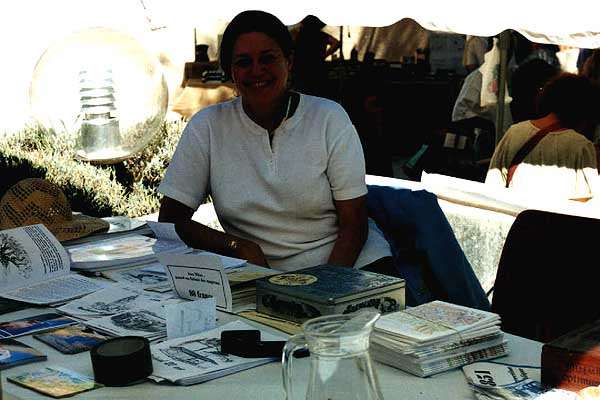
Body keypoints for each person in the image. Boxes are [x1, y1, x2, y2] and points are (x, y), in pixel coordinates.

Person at [158, 10, 391, 273]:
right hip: (261, 277)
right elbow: (170, 220)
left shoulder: (328, 119)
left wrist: (325, 289)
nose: (257, 70)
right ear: (230, 71)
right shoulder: (208, 127)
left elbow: (354, 225)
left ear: (288, 62)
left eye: (268, 58)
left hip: (350, 267)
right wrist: (239, 247)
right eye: (244, 62)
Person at [485, 73, 600, 201]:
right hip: (556, 220)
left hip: (514, 217)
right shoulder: (581, 146)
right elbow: (589, 201)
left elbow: (493, 185)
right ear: (584, 111)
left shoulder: (514, 132)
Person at [291, 15, 340, 96]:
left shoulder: (299, 35)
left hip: (300, 68)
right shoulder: (321, 35)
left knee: (301, 94)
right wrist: (325, 55)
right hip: (317, 67)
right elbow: (337, 43)